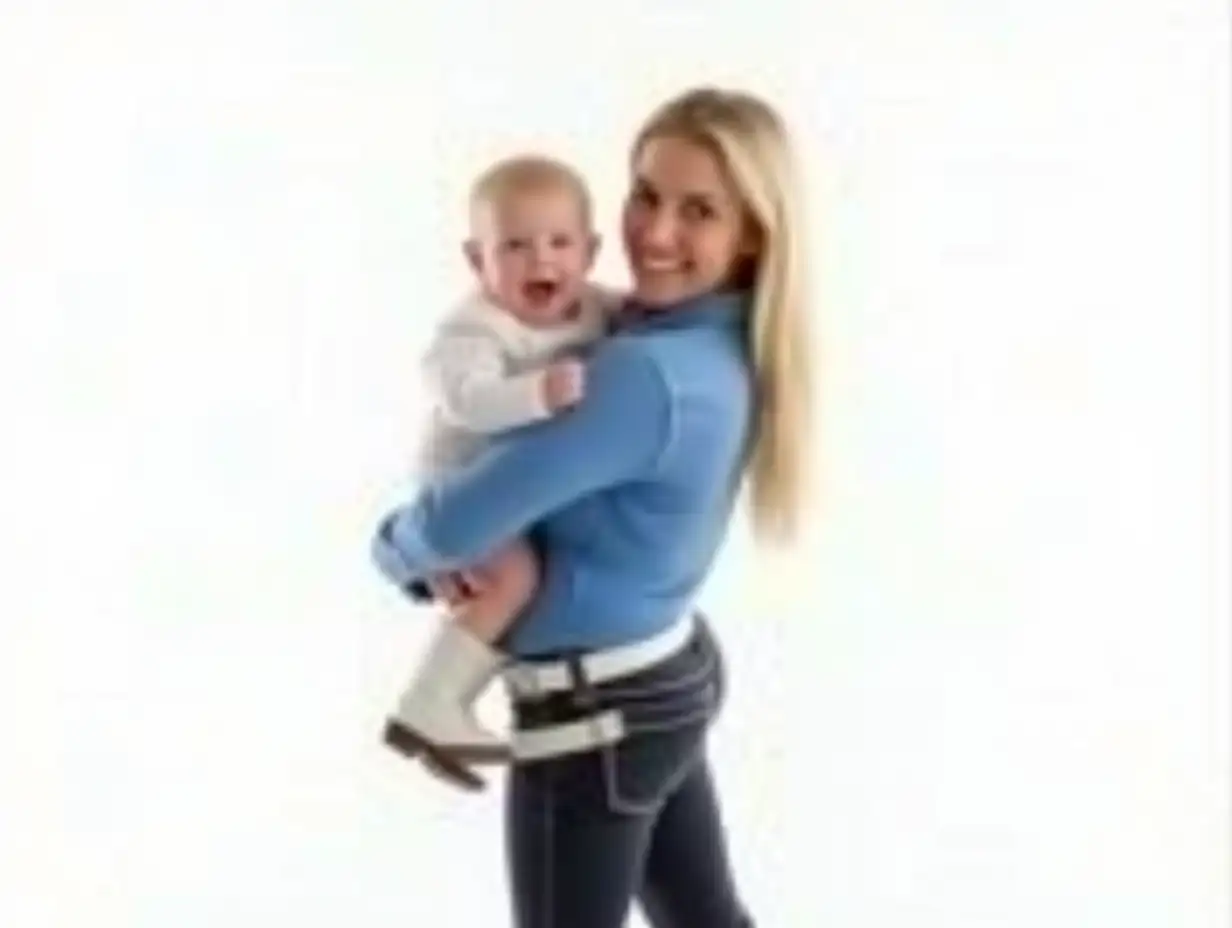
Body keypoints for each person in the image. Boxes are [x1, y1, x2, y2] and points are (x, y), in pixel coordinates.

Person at [371, 85, 812, 927]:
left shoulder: (643, 374)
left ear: (752, 233)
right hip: (665, 680)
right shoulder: (705, 342)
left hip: (597, 716)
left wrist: (391, 551)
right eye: (645, 194)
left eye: (699, 210)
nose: (655, 232)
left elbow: (458, 525)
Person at [382, 154, 618, 774]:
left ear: (590, 252)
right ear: (475, 259)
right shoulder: (473, 330)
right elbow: (467, 400)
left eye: (559, 243)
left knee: (513, 583)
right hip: (464, 483)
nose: (541, 261)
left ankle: (439, 726)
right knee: (513, 579)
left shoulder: (593, 305)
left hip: (514, 488)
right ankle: (431, 703)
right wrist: (538, 392)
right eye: (514, 246)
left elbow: (630, 319)